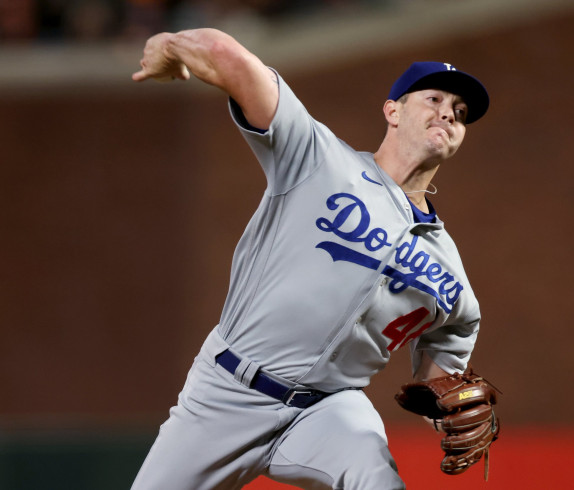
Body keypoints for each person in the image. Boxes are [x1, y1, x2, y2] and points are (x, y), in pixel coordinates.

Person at [130, 27, 490, 490]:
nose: (449, 113)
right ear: (393, 110)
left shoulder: (453, 278)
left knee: (378, 480)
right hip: (228, 392)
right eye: (435, 99)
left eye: (460, 113)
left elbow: (438, 382)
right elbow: (226, 55)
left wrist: (449, 412)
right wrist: (170, 45)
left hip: (329, 410)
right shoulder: (318, 159)